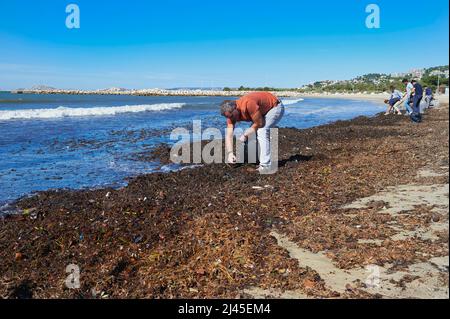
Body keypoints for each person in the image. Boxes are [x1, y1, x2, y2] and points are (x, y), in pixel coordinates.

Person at [220, 92, 285, 173]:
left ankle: (265, 166)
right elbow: (229, 135)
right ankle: (256, 158)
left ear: (236, 108)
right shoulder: (230, 114)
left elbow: (259, 123)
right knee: (251, 133)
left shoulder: (248, 104)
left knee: (262, 130)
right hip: (261, 111)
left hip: (275, 107)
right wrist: (230, 153)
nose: (230, 119)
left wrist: (245, 135)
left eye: (231, 116)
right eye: (228, 117)